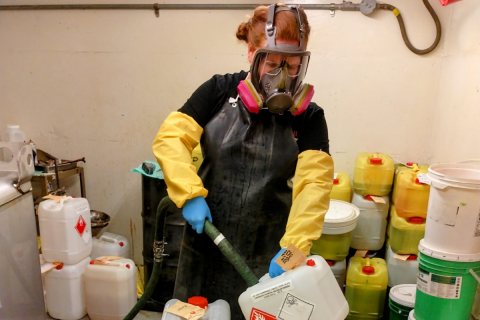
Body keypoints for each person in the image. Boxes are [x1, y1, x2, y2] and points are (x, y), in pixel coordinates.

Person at [152, 3, 333, 319]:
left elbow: (314, 190)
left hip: (269, 256)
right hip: (205, 242)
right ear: (251, 53)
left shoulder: (309, 118)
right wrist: (189, 193)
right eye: (272, 63)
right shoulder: (218, 92)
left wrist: (293, 252)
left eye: (291, 66)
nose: (281, 77)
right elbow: (171, 140)